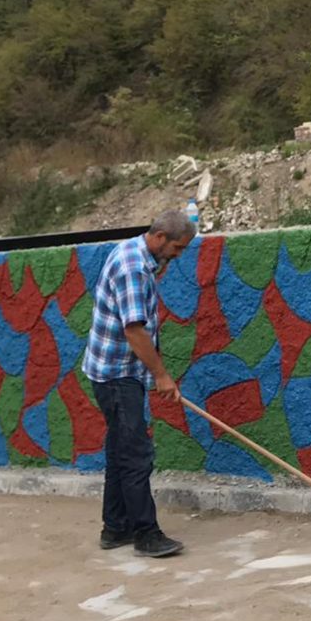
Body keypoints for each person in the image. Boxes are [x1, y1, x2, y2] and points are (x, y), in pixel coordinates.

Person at [81, 209, 196, 558]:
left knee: (120, 449)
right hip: (117, 374)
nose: (178, 255)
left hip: (114, 370)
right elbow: (134, 331)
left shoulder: (139, 255)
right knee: (135, 454)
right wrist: (161, 375)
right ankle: (146, 535)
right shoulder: (133, 268)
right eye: (177, 248)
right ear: (159, 237)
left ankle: (115, 528)